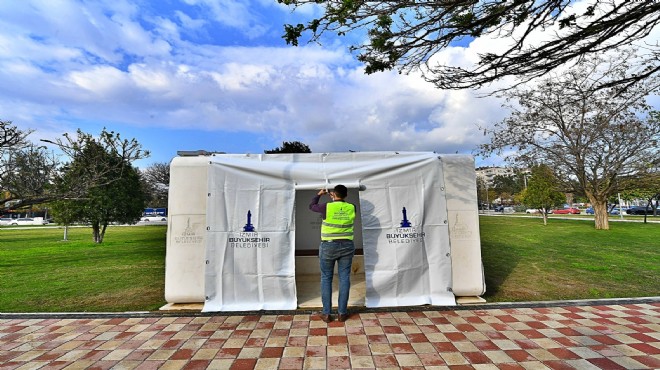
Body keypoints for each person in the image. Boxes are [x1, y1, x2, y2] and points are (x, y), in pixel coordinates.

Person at [309, 184, 356, 323]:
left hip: (329, 245)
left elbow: (311, 206)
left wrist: (319, 194)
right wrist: (334, 197)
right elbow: (341, 207)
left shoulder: (327, 207)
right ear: (346, 195)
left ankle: (327, 314)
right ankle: (342, 313)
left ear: (333, 195)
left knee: (326, 278)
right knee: (344, 278)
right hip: (347, 245)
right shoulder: (352, 207)